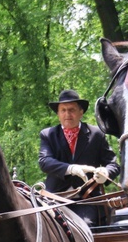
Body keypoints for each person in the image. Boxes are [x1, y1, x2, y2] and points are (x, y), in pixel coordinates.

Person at [39, 89, 120, 226]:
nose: (67, 114)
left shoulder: (97, 134)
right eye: (63, 110)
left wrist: (105, 173)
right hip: (55, 199)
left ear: (81, 112)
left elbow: (113, 164)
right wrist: (70, 168)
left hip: (87, 200)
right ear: (58, 114)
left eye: (72, 110)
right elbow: (44, 161)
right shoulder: (48, 135)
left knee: (83, 228)